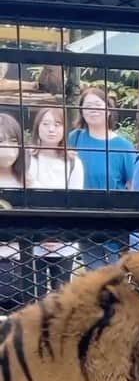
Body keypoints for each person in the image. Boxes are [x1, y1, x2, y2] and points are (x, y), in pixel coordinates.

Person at [69, 87, 134, 269]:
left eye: (98, 105)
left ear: (108, 109)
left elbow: (131, 184)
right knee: (93, 273)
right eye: (88, 106)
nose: (93, 110)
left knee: (119, 272)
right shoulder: (74, 138)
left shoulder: (124, 146)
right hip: (85, 216)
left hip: (114, 218)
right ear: (81, 110)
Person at [28, 106, 83, 292]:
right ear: (37, 128)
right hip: (32, 240)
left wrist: (59, 236)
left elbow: (76, 202)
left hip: (65, 241)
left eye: (57, 124)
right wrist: (42, 236)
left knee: (62, 295)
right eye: (46, 124)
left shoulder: (74, 162)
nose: (52, 129)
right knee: (35, 295)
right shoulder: (27, 159)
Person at [0, 113, 29, 312]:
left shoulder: (28, 181)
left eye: (13, 140)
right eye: (1, 141)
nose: (8, 148)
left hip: (21, 264)